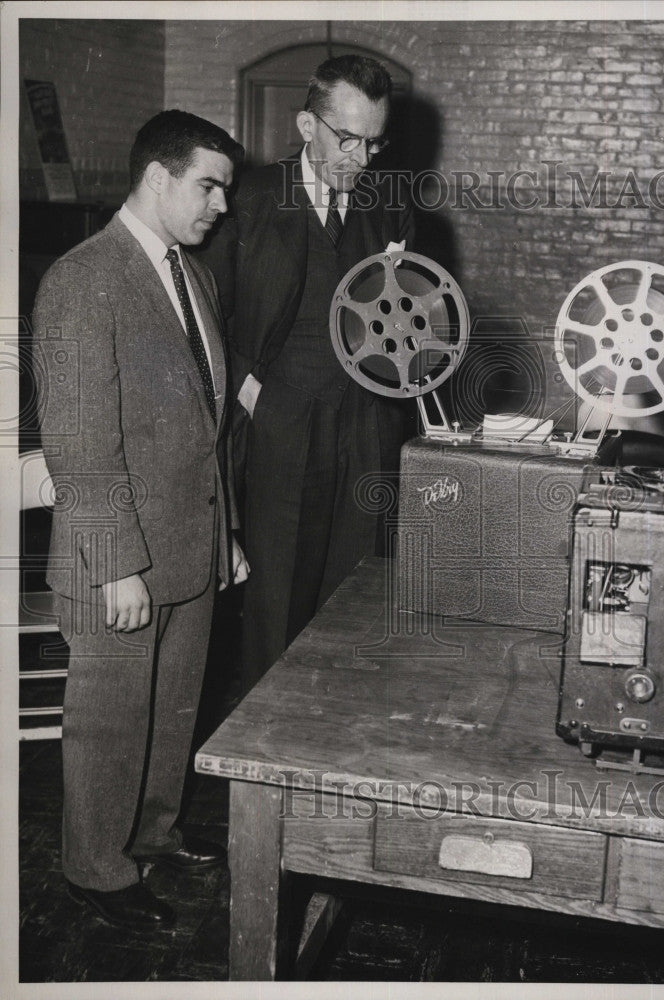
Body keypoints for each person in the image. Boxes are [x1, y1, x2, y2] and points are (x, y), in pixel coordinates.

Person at [32, 110, 249, 931]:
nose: (220, 205)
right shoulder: (83, 279)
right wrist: (115, 561)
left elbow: (205, 424)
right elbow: (80, 439)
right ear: (157, 178)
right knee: (111, 720)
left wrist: (223, 531)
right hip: (116, 557)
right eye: (209, 185)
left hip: (188, 544)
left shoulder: (192, 276)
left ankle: (154, 834)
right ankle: (95, 868)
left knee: (170, 708)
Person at [199, 54, 414, 689]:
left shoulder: (389, 204)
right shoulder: (247, 201)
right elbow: (209, 317)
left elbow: (408, 319)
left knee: (352, 606)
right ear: (305, 125)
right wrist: (253, 395)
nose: (362, 158)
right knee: (275, 614)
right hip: (278, 430)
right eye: (347, 138)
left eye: (374, 141)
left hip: (366, 429)